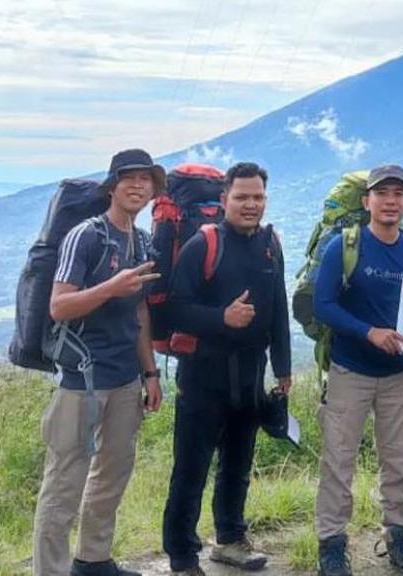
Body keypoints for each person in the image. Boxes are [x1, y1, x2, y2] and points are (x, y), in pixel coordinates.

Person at [33, 148, 166, 576]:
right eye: (129, 178)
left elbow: (140, 312)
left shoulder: (142, 241)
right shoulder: (86, 236)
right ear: (112, 185)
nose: (138, 185)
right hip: (81, 380)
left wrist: (151, 373)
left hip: (126, 378)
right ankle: (50, 571)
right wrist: (111, 287)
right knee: (64, 485)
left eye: (146, 180)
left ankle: (93, 559)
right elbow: (59, 306)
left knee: (113, 474)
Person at [162, 162, 292, 575]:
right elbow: (175, 311)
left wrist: (283, 368)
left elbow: (279, 311)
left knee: (237, 466)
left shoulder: (271, 244)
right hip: (203, 377)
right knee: (191, 470)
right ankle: (183, 558)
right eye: (241, 197)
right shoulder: (204, 245)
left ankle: (231, 540)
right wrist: (222, 318)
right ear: (224, 200)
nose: (250, 205)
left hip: (251, 376)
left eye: (257, 197)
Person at [312, 164, 403, 576]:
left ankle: (399, 536)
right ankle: (331, 544)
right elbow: (323, 305)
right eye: (382, 194)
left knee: (398, 460)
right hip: (350, 371)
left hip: (398, 374)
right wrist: (368, 333)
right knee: (338, 460)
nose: (391, 201)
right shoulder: (344, 246)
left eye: (398, 194)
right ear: (367, 202)